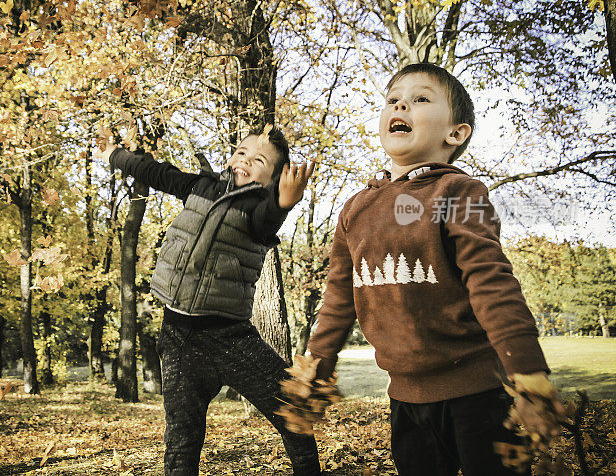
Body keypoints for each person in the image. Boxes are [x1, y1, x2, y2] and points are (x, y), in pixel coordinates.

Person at [306, 63, 563, 476]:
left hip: (479, 395)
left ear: (455, 133)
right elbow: (339, 295)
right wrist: (316, 364)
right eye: (393, 99)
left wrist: (527, 370)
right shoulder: (355, 209)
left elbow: (491, 282)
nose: (402, 103)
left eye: (421, 98)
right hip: (405, 401)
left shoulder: (459, 193)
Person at [95, 124, 321, 476]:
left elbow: (267, 220)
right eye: (242, 152)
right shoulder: (200, 187)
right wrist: (114, 155)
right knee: (181, 442)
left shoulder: (259, 208)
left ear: (272, 179)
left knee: (294, 409)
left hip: (232, 339)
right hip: (179, 339)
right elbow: (154, 172)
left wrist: (283, 203)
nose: (246, 160)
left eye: (259, 160)